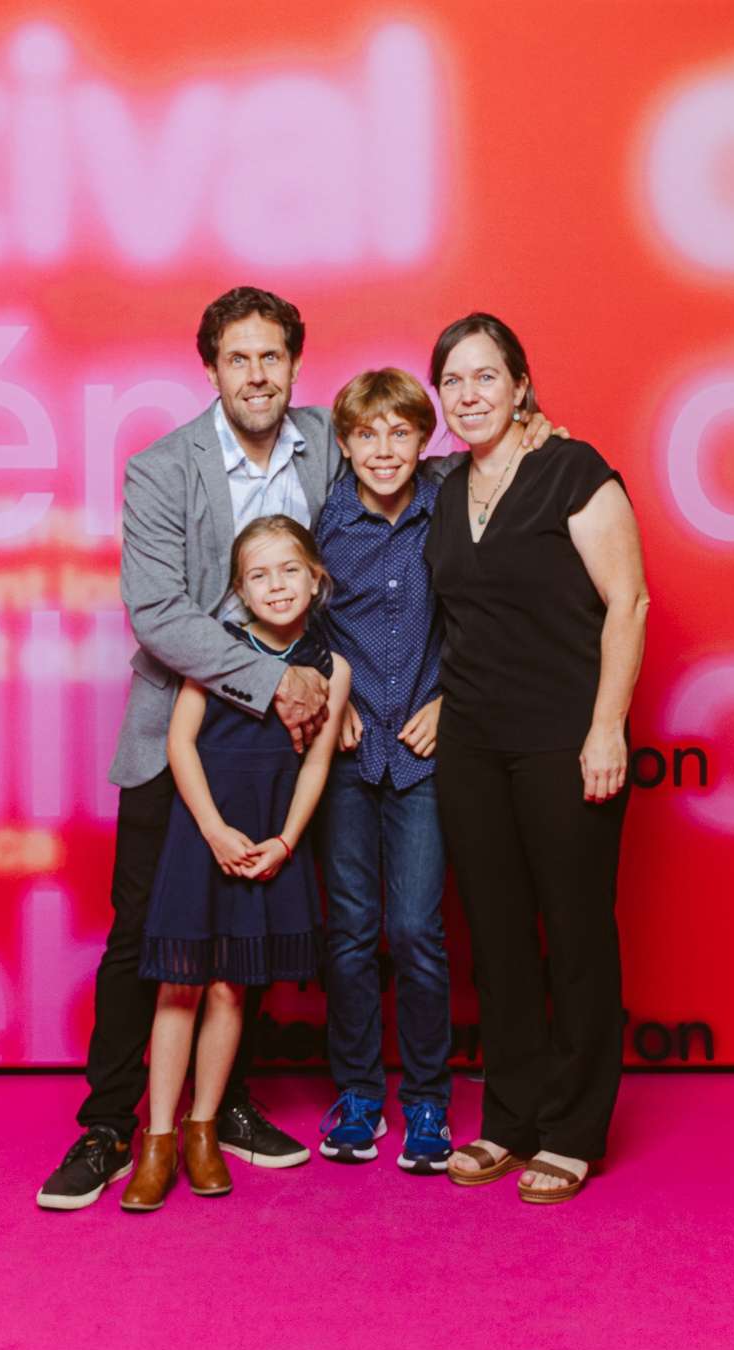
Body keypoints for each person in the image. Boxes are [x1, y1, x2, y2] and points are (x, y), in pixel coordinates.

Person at [35, 286, 561, 1212]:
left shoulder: (328, 438)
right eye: (238, 359)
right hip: (189, 731)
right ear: (211, 369)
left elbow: (416, 464)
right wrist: (273, 680)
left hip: (303, 737)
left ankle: (221, 1106)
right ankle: (112, 1124)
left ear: (294, 366)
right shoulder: (163, 469)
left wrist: (523, 432)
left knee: (252, 932)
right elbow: (157, 615)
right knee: (145, 940)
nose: (256, 375)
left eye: (272, 357)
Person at [422, 313, 649, 1205]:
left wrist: (607, 728)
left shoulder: (574, 470)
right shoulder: (445, 490)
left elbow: (626, 604)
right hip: (473, 742)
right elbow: (468, 619)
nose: (469, 395)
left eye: (486, 377)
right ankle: (509, 1121)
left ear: (521, 384)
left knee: (578, 934)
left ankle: (573, 1130)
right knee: (501, 940)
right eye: (454, 382)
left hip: (564, 735)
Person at [120, 518, 352, 1211]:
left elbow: (316, 765)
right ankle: (157, 1139)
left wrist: (285, 840)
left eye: (289, 571)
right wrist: (214, 830)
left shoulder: (333, 667)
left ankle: (203, 1130)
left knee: (231, 989)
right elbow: (182, 744)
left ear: (316, 577)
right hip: (205, 833)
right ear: (240, 593)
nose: (276, 586)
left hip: (267, 834)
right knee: (181, 986)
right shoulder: (220, 649)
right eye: (258, 576)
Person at [309, 369, 454, 1172]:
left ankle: (428, 1099)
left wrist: (454, 700)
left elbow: (485, 610)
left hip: (426, 753)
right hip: (348, 752)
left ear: (424, 439)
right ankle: (360, 1091)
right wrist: (333, 694)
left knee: (417, 932)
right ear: (346, 444)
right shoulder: (323, 523)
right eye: (368, 435)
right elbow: (295, 614)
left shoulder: (453, 506)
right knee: (352, 934)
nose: (385, 449)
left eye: (401, 432)